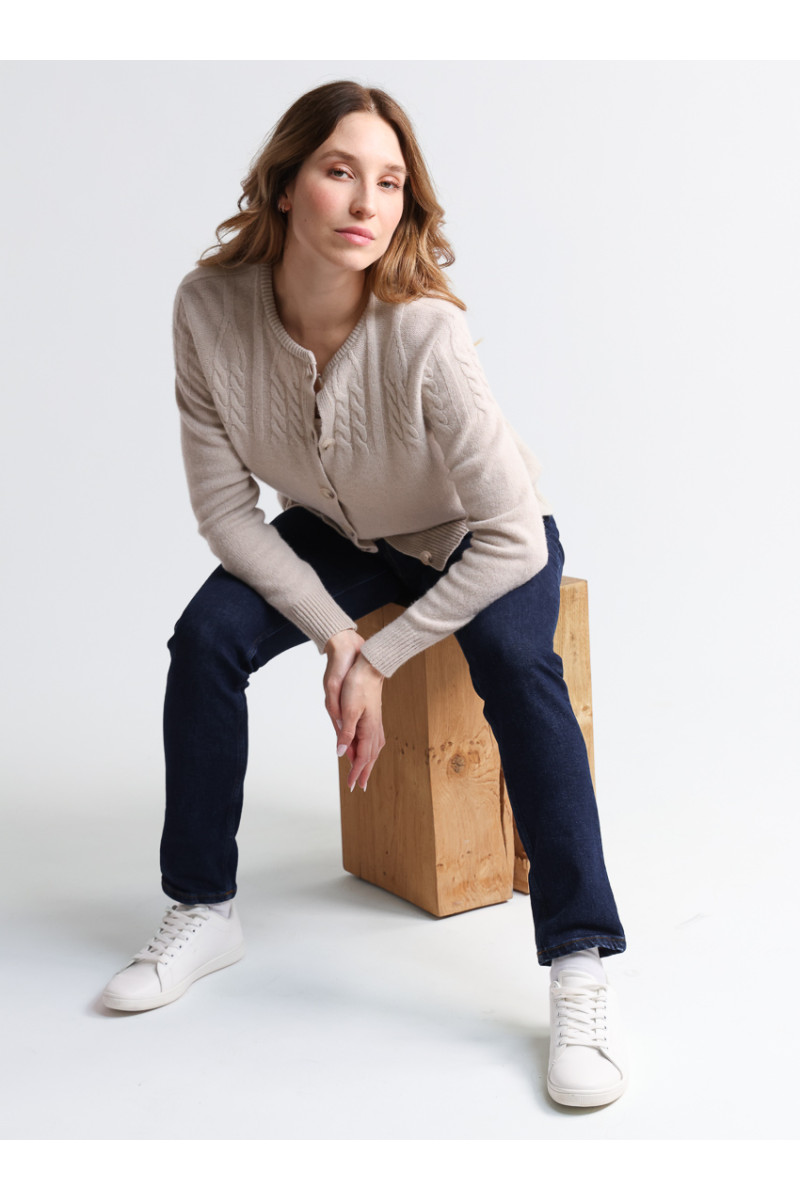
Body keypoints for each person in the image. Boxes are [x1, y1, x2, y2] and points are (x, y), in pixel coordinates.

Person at [101, 80, 629, 1107]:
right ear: (284, 183)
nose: (364, 203)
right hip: (341, 531)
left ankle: (581, 961)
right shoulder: (207, 309)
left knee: (516, 665)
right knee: (205, 639)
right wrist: (335, 633)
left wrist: (376, 655)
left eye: (389, 183)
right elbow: (226, 512)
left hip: (475, 534)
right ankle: (203, 907)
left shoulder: (424, 333)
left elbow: (514, 535)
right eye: (340, 171)